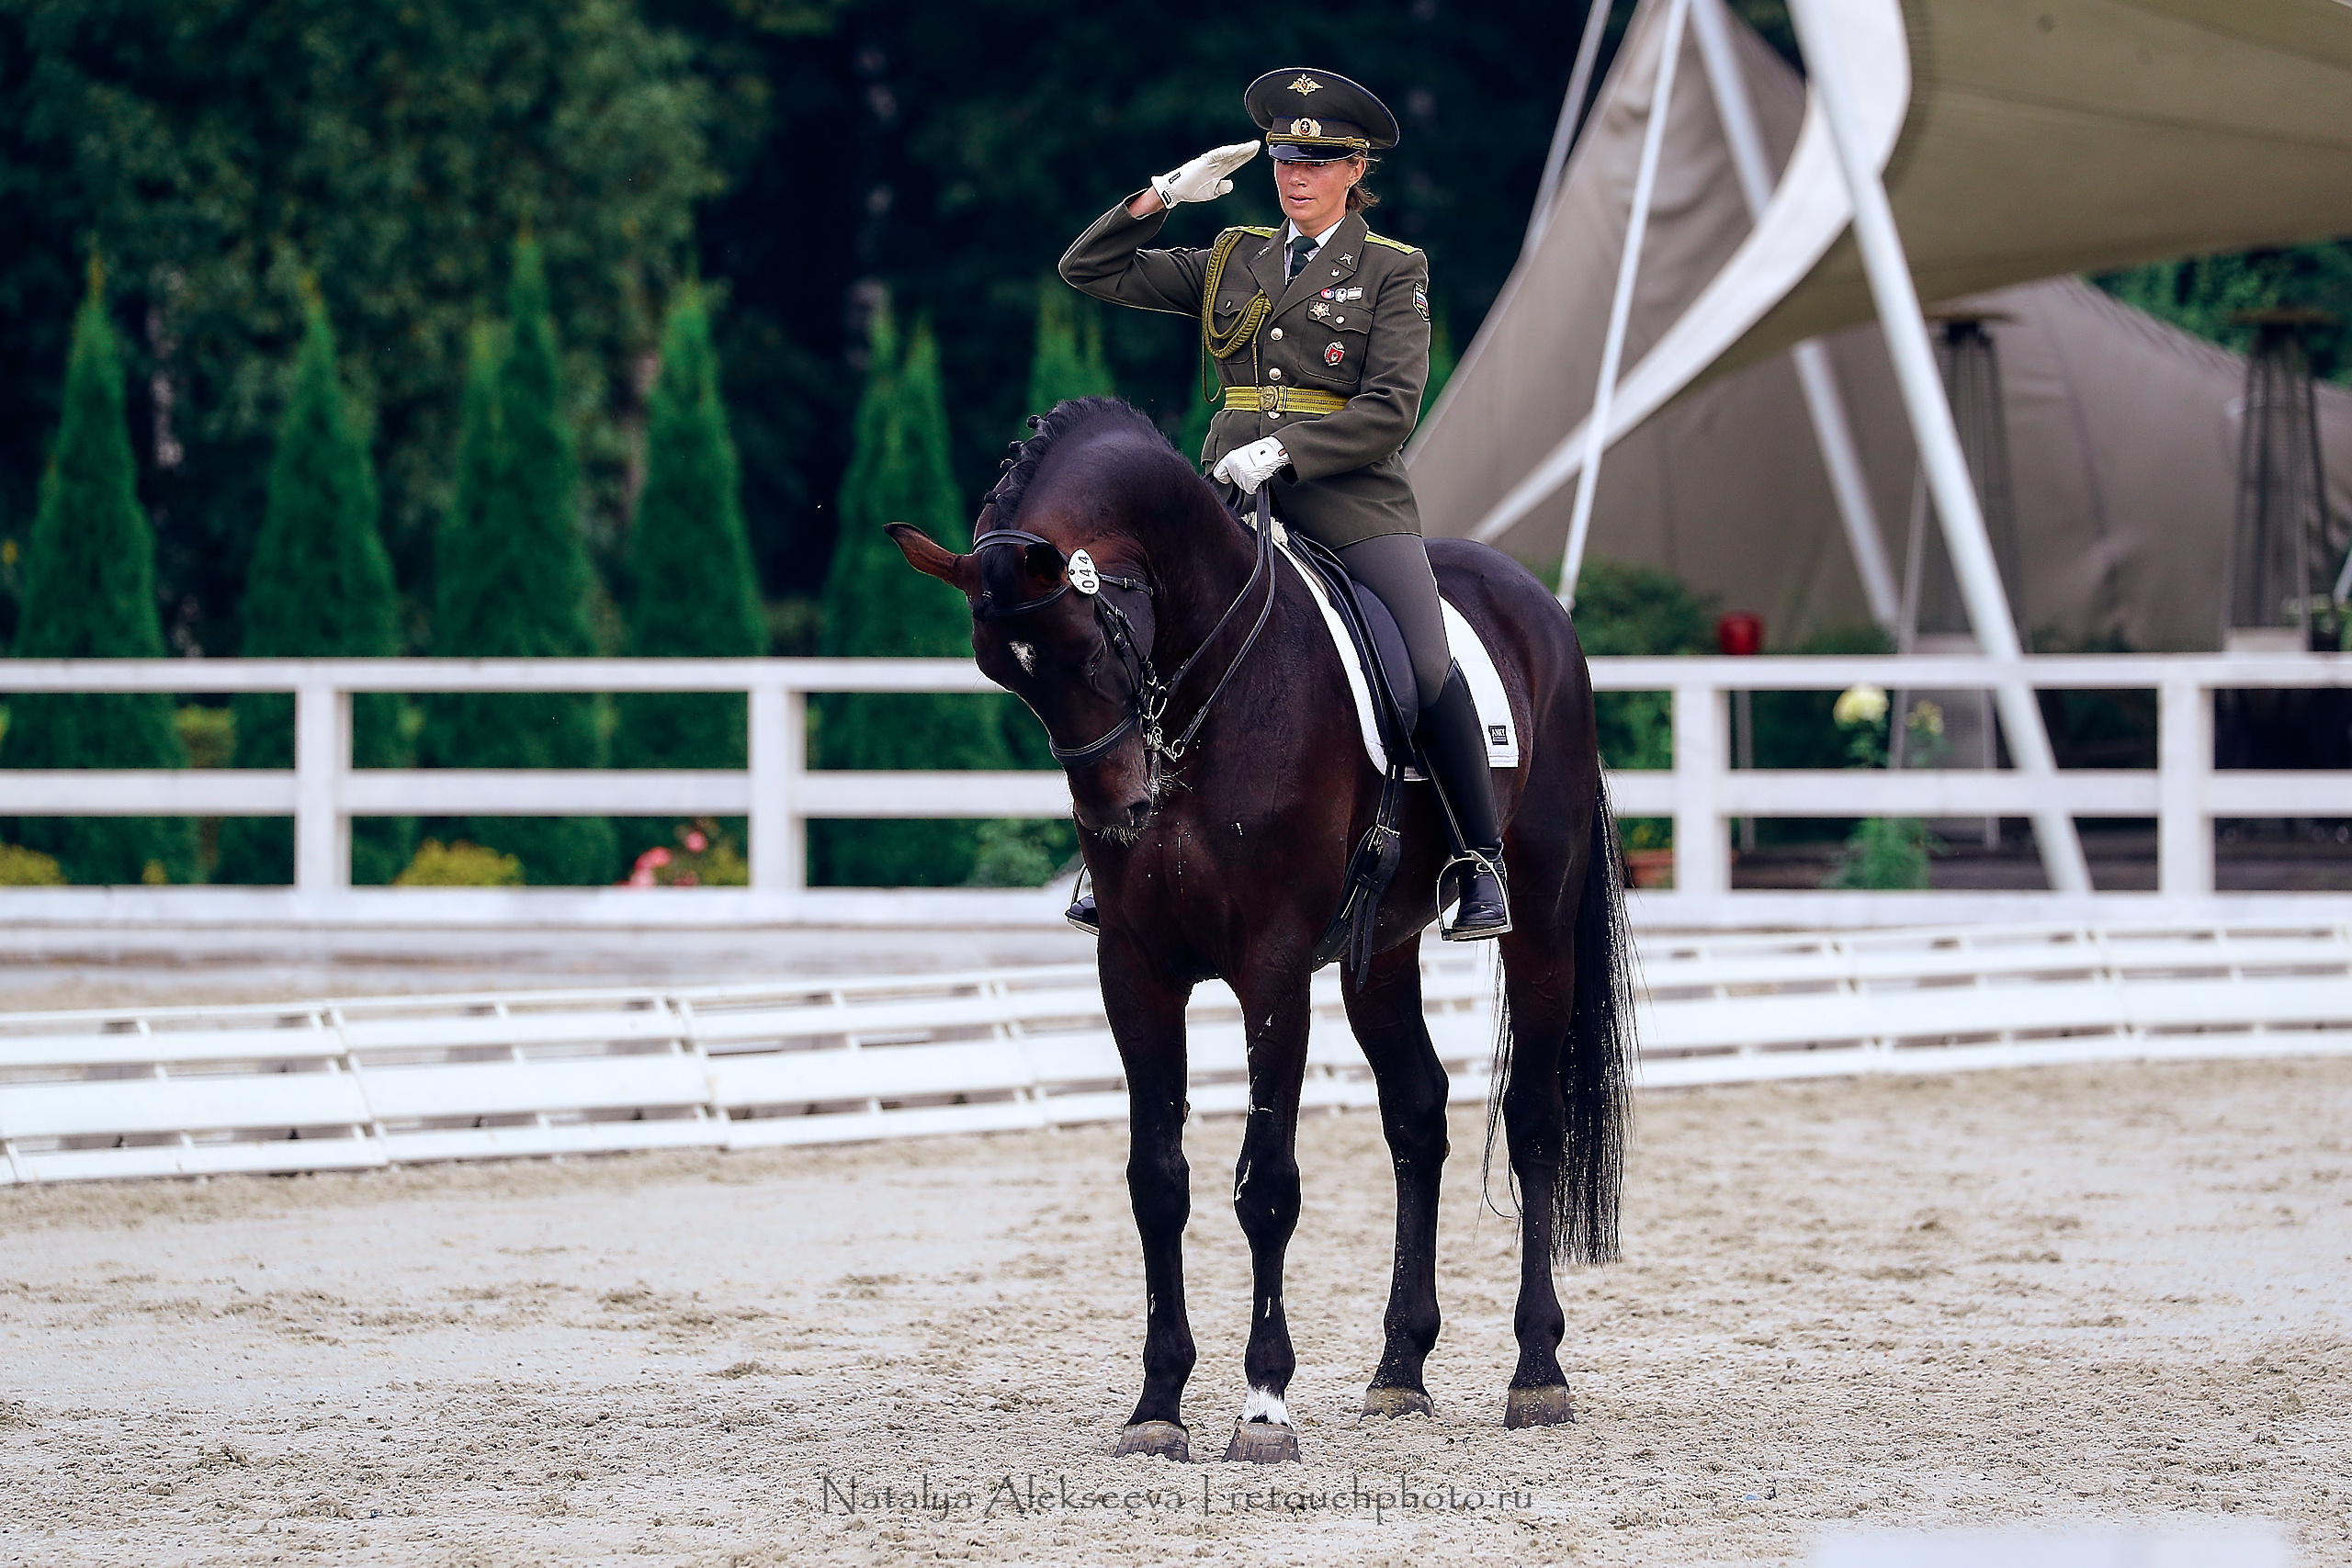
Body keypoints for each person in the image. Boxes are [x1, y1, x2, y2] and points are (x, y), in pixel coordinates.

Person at [1055, 66, 1509, 942]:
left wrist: (1289, 451)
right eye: (1284, 159)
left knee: (1420, 662)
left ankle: (1476, 860)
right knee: (1137, 650)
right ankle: (1113, 848)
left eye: (1318, 160)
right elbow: (1087, 268)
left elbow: (1391, 409)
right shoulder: (1233, 258)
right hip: (1225, 495)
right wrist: (1161, 196)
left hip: (1346, 501)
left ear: (1354, 168)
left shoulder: (1390, 269)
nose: (1295, 176)